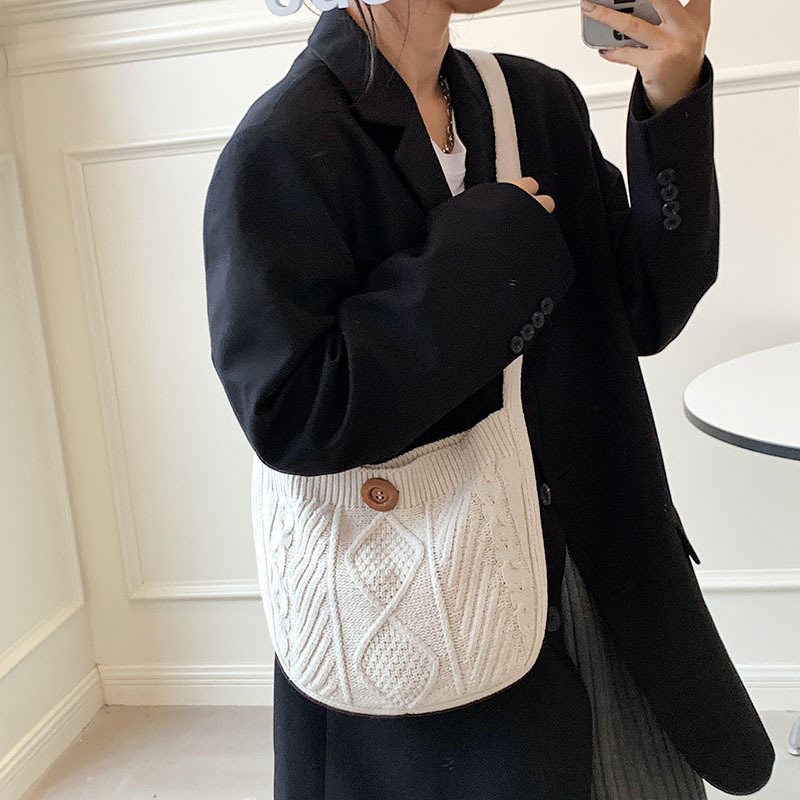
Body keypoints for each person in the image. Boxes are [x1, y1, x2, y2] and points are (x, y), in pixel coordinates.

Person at [202, 0, 776, 797]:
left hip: (602, 589)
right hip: (432, 628)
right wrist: (485, 255)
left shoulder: (532, 102)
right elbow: (295, 412)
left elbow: (645, 307)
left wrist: (671, 95)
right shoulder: (283, 146)